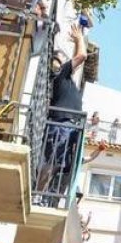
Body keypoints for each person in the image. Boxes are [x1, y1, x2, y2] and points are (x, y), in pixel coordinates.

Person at [39, 24, 88, 197]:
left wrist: (76, 42)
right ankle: (37, 193)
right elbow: (81, 56)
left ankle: (39, 193)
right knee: (52, 162)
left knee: (56, 163)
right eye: (60, 58)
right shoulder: (60, 75)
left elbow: (76, 60)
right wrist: (80, 38)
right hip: (62, 125)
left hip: (66, 125)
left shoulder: (62, 77)